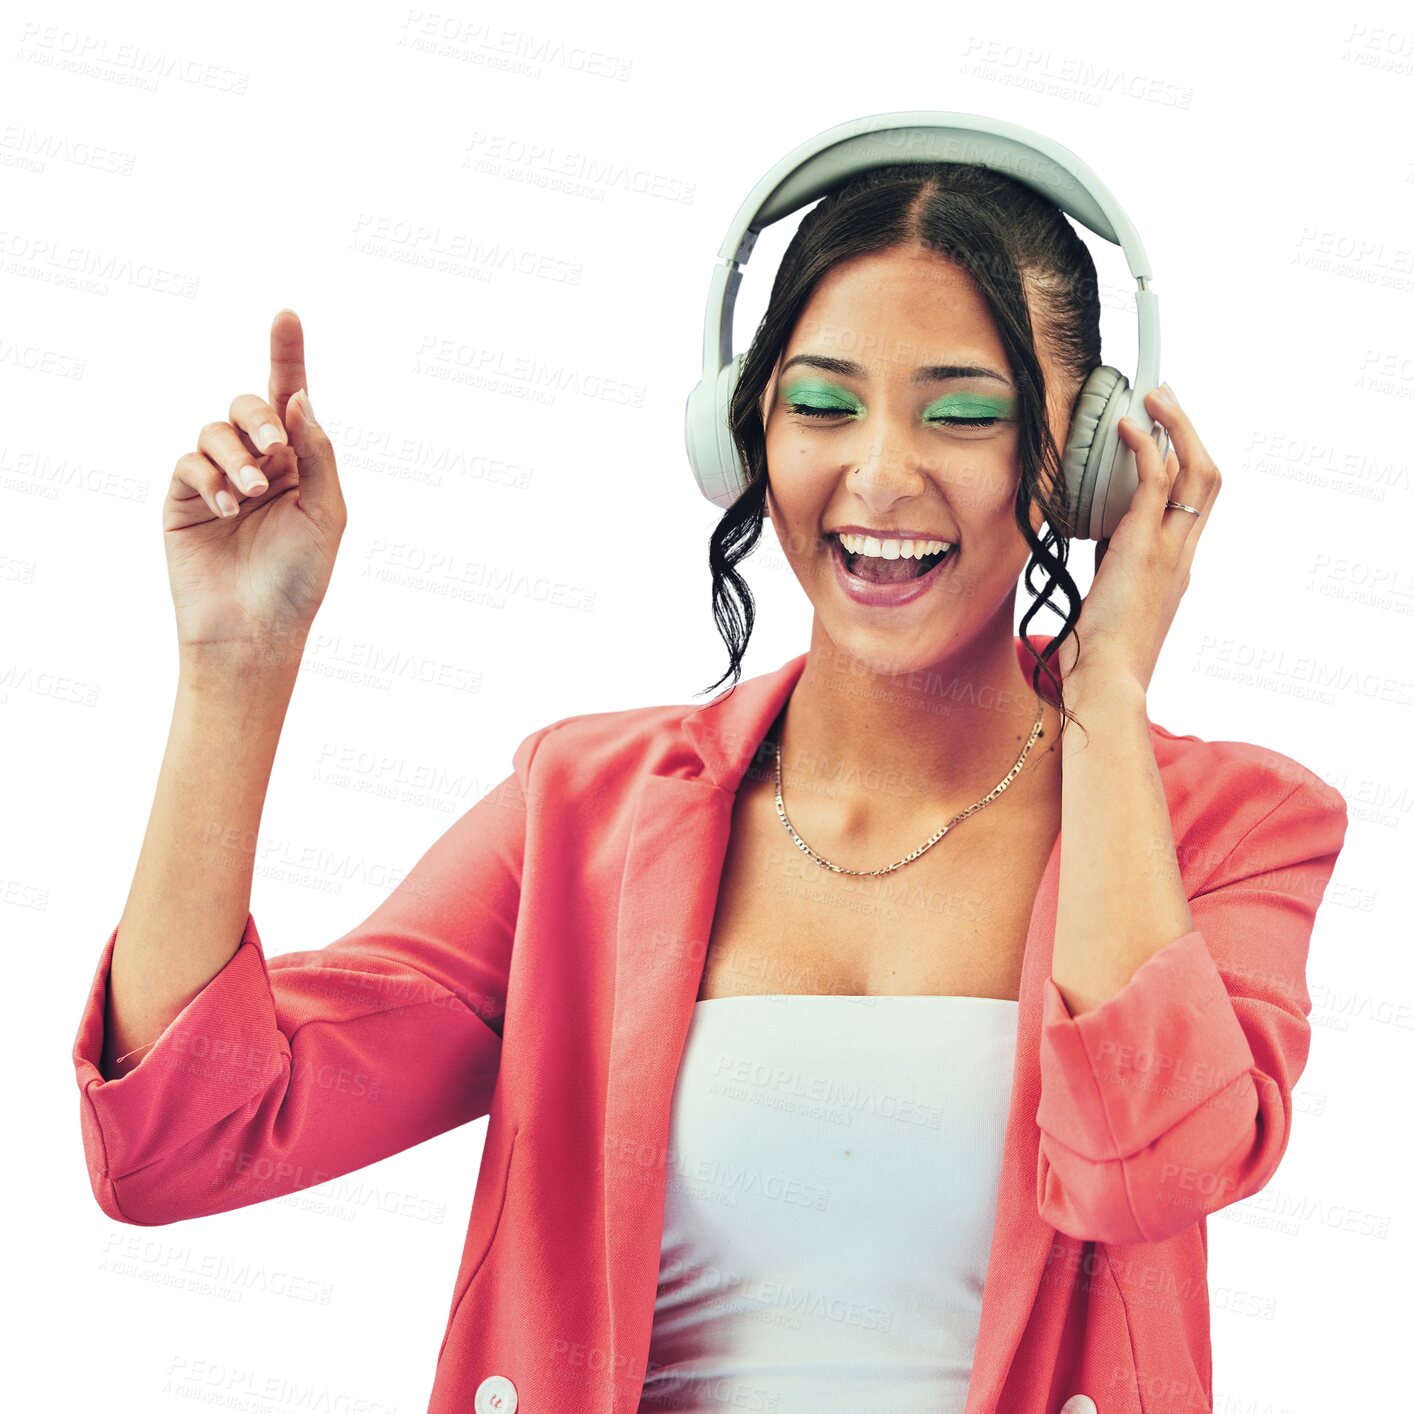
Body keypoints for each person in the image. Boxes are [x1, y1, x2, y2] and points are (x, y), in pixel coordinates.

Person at [72, 161, 1349, 1414]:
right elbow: (187, 1138)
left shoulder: (1228, 828)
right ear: (745, 432)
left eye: (963, 412)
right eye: (823, 404)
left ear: (1087, 464)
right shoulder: (584, 812)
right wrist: (234, 667)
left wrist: (1107, 695)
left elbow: (1152, 1168)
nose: (884, 471)